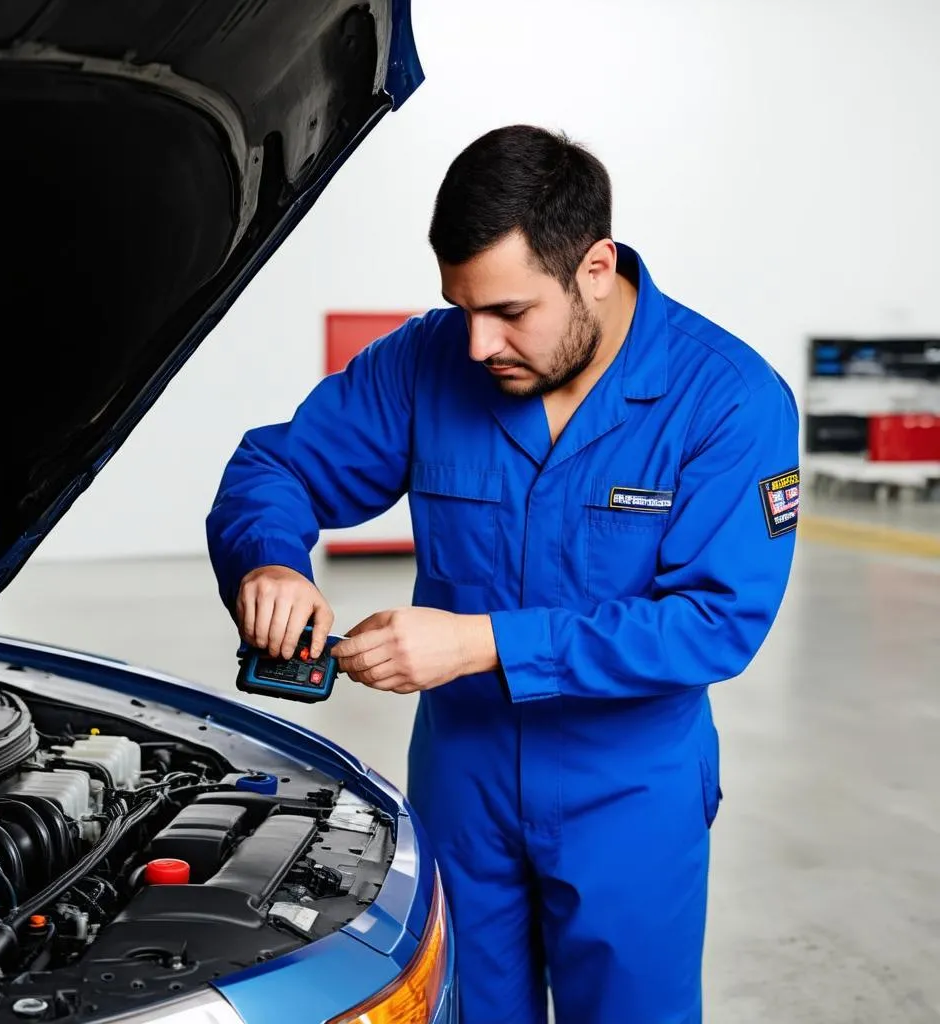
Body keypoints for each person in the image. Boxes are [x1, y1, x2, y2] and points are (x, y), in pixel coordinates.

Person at [206, 124, 799, 1024]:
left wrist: (482, 642)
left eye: (510, 312)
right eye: (461, 307)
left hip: (629, 789)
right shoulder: (425, 361)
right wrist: (271, 561)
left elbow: (717, 623)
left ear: (594, 266)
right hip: (463, 782)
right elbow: (276, 470)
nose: (478, 344)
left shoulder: (728, 401)